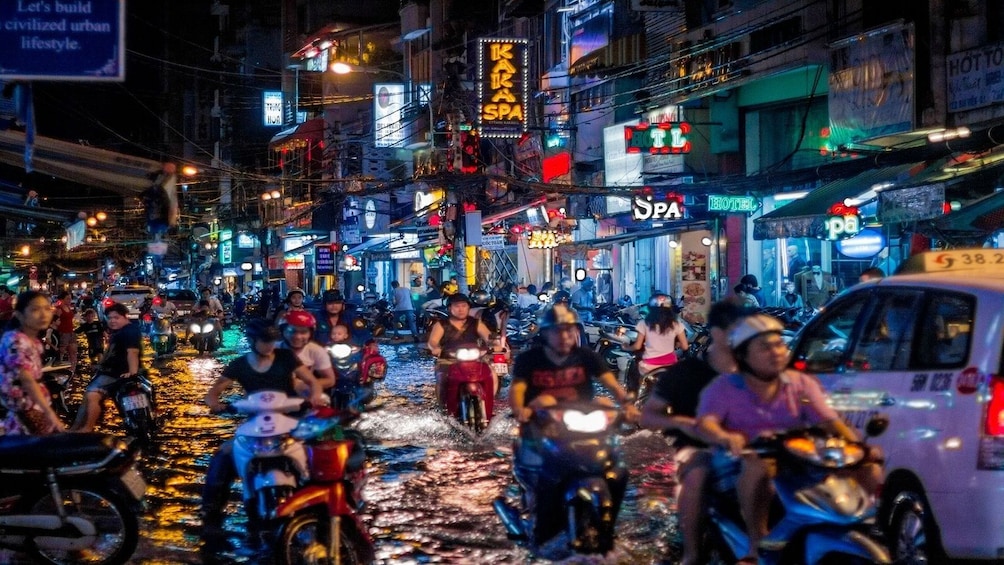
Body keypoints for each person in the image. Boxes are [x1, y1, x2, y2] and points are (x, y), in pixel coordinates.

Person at [695, 314, 882, 563]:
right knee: (757, 466)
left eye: (779, 345)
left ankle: (864, 522)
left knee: (868, 463)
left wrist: (858, 446)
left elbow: (828, 420)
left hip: (797, 455)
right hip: (739, 459)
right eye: (764, 347)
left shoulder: (800, 383)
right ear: (743, 355)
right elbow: (707, 423)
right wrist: (727, 437)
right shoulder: (725, 387)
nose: (775, 352)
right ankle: (756, 543)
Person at [200, 319, 326, 550]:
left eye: (272, 341)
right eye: (265, 341)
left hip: (290, 419)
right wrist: (215, 404)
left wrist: (315, 396)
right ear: (252, 341)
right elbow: (213, 392)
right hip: (255, 424)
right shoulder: (238, 365)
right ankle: (211, 514)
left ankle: (322, 507)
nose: (270, 346)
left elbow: (312, 382)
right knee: (223, 455)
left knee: (318, 450)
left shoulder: (286, 358)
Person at [639, 301, 748, 565]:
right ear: (719, 333)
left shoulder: (758, 372)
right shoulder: (685, 373)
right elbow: (648, 415)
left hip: (752, 447)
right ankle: (692, 552)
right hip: (699, 448)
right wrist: (681, 423)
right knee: (697, 476)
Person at [71, 302, 143, 432]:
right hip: (111, 371)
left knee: (92, 395)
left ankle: (86, 428)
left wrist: (132, 372)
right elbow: (111, 352)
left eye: (116, 317)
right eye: (109, 318)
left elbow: (132, 352)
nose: (112, 321)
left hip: (115, 373)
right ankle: (77, 428)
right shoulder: (118, 332)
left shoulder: (128, 331)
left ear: (125, 316)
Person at [0, 290, 64, 435]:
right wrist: (50, 414)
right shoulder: (16, 341)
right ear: (19, 315)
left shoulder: (32, 340)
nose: (43, 314)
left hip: (33, 410)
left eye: (47, 308)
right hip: (24, 415)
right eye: (35, 309)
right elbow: (27, 381)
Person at [427, 293, 493, 402]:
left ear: (468, 308)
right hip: (448, 360)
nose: (461, 309)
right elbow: (432, 341)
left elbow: (488, 337)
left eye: (464, 306)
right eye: (457, 306)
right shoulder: (442, 324)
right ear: (450, 308)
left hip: (475, 359)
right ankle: (442, 407)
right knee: (442, 379)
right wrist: (435, 348)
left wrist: (495, 344)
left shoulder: (476, 323)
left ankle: (489, 402)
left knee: (492, 375)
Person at [625, 295, 689, 391]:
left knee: (633, 376)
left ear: (650, 308)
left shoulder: (643, 323)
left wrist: (626, 347)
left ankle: (633, 399)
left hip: (648, 367)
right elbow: (685, 346)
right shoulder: (677, 325)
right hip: (670, 366)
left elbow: (637, 346)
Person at [278, 310, 335, 391]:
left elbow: (330, 380)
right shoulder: (271, 349)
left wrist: (303, 385)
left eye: (303, 332)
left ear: (310, 334)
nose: (297, 337)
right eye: (291, 331)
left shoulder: (317, 351)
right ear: (282, 331)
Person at [53, 291, 78, 374]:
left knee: (73, 351)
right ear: (62, 299)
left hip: (70, 331)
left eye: (70, 298)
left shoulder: (69, 307)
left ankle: (72, 370)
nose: (70, 300)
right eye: (67, 299)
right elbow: (55, 320)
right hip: (63, 332)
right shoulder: (58, 309)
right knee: (62, 351)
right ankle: (59, 370)